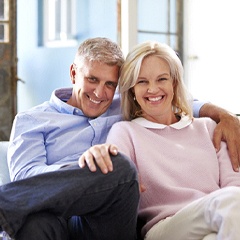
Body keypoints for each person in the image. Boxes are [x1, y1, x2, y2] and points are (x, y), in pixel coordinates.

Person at [0, 37, 239, 239]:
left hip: (107, 221)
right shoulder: (32, 120)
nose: (100, 93)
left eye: (110, 84)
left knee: (117, 166)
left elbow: (177, 102)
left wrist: (225, 115)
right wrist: (85, 169)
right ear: (74, 73)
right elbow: (26, 180)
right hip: (58, 215)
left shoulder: (122, 106)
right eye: (92, 79)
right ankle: (5, 208)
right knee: (33, 224)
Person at [101, 41, 240, 239]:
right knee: (231, 201)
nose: (153, 89)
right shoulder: (125, 132)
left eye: (162, 79)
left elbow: (235, 183)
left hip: (217, 219)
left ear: (174, 83)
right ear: (132, 89)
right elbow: (114, 176)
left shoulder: (208, 128)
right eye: (142, 82)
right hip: (164, 227)